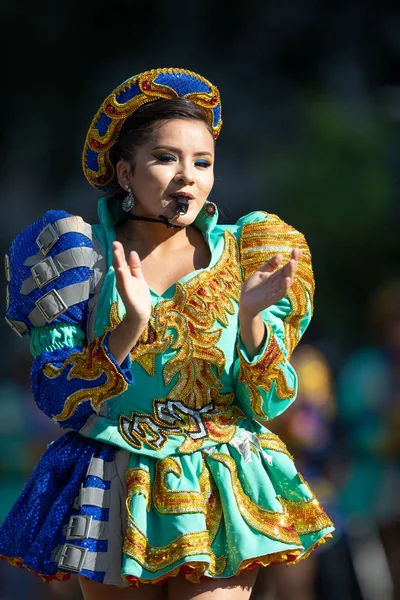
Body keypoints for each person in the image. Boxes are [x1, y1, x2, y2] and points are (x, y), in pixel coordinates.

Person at [0, 68, 334, 600]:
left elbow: (266, 401)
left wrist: (249, 320)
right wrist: (128, 327)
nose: (188, 177)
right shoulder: (75, 256)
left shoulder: (249, 252)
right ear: (125, 172)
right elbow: (57, 398)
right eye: (166, 158)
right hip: (114, 481)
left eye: (203, 163)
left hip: (219, 479)